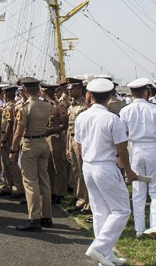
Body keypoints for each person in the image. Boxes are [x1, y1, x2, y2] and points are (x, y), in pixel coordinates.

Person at [75, 78, 137, 266]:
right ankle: (99, 248)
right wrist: (129, 171)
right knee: (121, 209)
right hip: (105, 166)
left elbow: (78, 146)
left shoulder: (81, 117)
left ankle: (106, 256)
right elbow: (122, 149)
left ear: (90, 96)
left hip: (88, 166)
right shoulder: (112, 118)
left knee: (101, 210)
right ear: (110, 97)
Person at [119, 78, 156, 239]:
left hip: (135, 149)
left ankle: (139, 229)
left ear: (132, 93)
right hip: (153, 149)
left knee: (138, 191)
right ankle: (155, 226)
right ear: (146, 92)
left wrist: (120, 155)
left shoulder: (125, 111)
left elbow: (123, 136)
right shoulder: (155, 109)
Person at [10, 77, 54, 231]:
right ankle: (46, 216)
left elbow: (18, 133)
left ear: (26, 90)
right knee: (44, 180)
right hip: (43, 142)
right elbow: (61, 113)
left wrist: (13, 150)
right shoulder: (46, 105)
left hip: (30, 144)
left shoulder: (25, 107)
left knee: (30, 182)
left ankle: (34, 218)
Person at [66, 78, 91, 214]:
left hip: (80, 140)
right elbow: (69, 128)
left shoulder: (84, 105)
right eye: (69, 88)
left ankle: (83, 200)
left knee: (82, 170)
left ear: (80, 89)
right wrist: (67, 147)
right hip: (72, 140)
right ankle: (78, 195)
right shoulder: (72, 105)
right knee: (75, 170)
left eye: (72, 88)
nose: (69, 90)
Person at [0, 85, 24, 199]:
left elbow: (10, 124)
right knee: (4, 163)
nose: (4, 94)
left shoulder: (10, 107)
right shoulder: (5, 106)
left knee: (12, 164)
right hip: (3, 137)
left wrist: (4, 139)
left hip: (8, 138)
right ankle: (7, 186)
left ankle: (20, 188)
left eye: (5, 93)